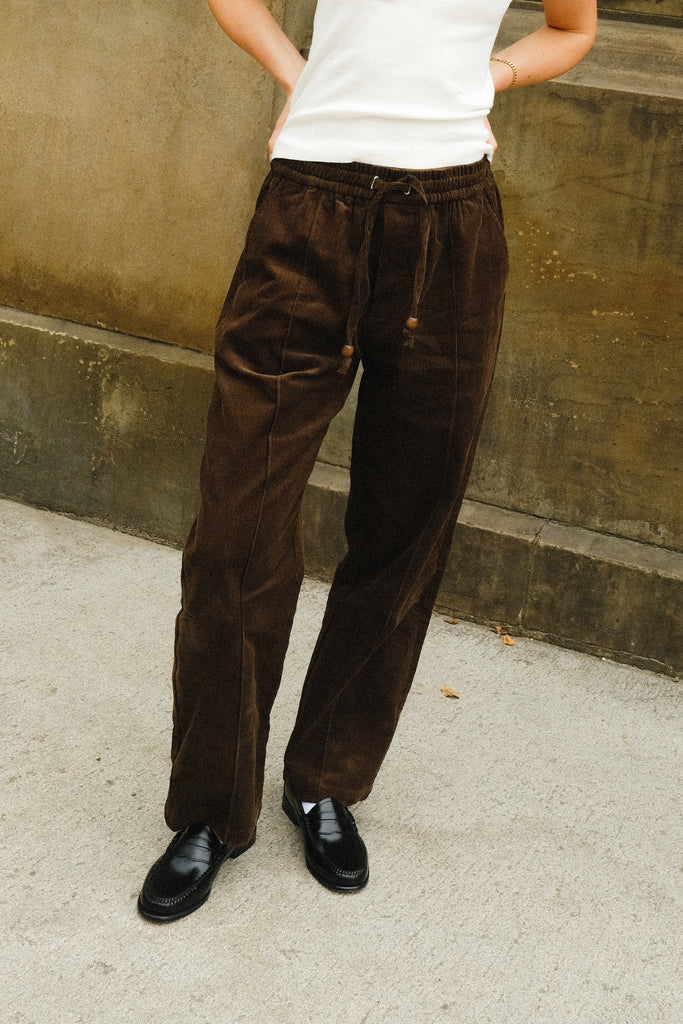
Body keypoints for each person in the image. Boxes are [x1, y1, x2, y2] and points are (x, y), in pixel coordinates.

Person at [138, 0, 597, 922]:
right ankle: (212, 809)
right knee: (234, 534)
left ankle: (324, 780)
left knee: (405, 527)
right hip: (308, 212)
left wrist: (490, 77)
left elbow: (571, 27)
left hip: (452, 224)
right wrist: (298, 72)